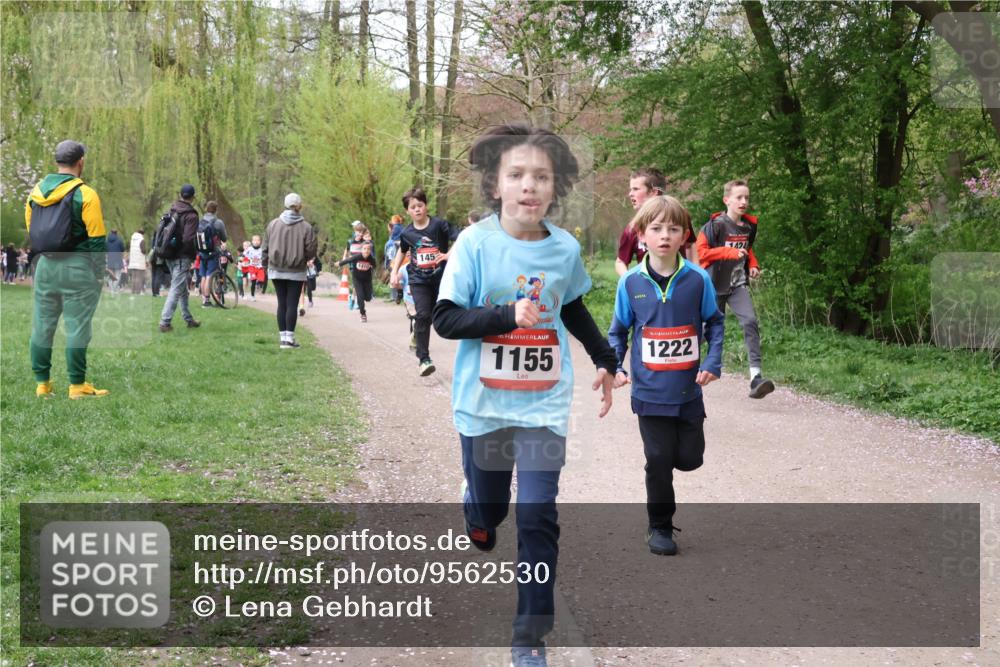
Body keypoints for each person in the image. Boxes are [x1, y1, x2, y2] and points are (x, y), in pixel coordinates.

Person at [433, 124, 617, 667]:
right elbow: (445, 319)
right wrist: (506, 315)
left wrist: (606, 359)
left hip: (542, 404)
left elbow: (574, 306)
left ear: (555, 188)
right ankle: (478, 508)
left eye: (541, 177)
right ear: (495, 185)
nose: (529, 186)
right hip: (485, 407)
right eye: (517, 175)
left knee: (537, 515)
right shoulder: (475, 244)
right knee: (492, 513)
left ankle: (528, 638)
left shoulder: (564, 249)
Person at [608, 195, 725, 556]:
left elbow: (715, 323)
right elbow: (618, 332)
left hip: (688, 392)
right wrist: (616, 366)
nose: (664, 235)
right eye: (656, 228)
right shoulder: (630, 282)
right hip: (649, 392)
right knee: (658, 461)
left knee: (690, 459)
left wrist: (711, 362)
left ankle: (676, 458)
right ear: (642, 234)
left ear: (684, 235)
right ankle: (659, 526)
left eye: (673, 229)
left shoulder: (698, 279)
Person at [25, 140, 109, 398]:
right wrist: (98, 272)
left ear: (57, 162)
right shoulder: (86, 194)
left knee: (42, 326)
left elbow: (33, 231)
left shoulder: (35, 194)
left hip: (46, 267)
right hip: (78, 268)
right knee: (77, 327)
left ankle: (42, 384)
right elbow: (96, 239)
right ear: (80, 161)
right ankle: (76, 386)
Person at [696, 179, 774, 399]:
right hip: (714, 287)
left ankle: (755, 378)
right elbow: (702, 254)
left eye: (747, 198)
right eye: (739, 197)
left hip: (737, 285)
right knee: (704, 332)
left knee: (750, 321)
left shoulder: (748, 226)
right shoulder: (715, 226)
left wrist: (754, 265)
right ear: (726, 200)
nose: (743, 201)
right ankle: (682, 367)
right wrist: (728, 253)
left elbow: (748, 250)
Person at [389, 187, 453, 376]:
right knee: (423, 315)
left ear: (426, 206)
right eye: (412, 207)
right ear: (407, 211)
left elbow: (461, 238)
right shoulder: (407, 233)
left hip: (440, 278)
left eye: (420, 205)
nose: (417, 209)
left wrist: (448, 254)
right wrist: (394, 272)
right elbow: (402, 250)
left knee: (438, 314)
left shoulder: (439, 225)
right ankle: (424, 359)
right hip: (418, 280)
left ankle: (418, 331)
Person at [615, 168, 699, 277]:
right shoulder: (632, 228)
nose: (630, 194)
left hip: (680, 283)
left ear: (654, 192)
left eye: (636, 189)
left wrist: (696, 274)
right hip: (649, 288)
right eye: (655, 229)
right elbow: (620, 261)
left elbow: (690, 245)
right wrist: (630, 282)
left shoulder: (680, 216)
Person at [263, 193, 317, 348]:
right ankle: (289, 339)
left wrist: (264, 264)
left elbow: (265, 247)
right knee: (292, 303)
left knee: (282, 303)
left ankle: (282, 339)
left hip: (276, 268)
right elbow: (311, 249)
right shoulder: (306, 227)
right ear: (299, 206)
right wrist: (304, 258)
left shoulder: (273, 224)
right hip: (297, 270)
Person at [158, 184, 202, 332]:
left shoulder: (172, 210)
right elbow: (188, 239)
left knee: (182, 289)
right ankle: (165, 322)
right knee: (176, 288)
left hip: (168, 254)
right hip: (182, 257)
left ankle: (189, 319)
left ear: (181, 195)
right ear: (193, 197)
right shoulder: (191, 215)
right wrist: (190, 256)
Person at [338, 224, 376, 323]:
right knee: (360, 294)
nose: (359, 233)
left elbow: (374, 262)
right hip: (354, 267)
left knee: (367, 297)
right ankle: (362, 313)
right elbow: (348, 254)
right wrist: (340, 262)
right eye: (357, 231)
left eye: (361, 232)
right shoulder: (351, 241)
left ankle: (358, 297)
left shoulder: (365, 244)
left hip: (366, 275)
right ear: (354, 231)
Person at [196, 200, 228, 307]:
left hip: (201, 253)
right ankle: (207, 301)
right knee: (210, 276)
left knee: (203, 276)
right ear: (216, 210)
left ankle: (203, 300)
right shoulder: (218, 222)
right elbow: (224, 238)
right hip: (213, 253)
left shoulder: (201, 221)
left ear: (206, 209)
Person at [383, 215, 404, 303]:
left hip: (394, 251)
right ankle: (399, 295)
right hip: (401, 250)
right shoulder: (403, 228)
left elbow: (389, 254)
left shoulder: (394, 229)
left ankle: (395, 296)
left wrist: (386, 264)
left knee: (393, 273)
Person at [245, 235, 266, 300]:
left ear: (260, 242)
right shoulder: (249, 249)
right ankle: (252, 295)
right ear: (252, 241)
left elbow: (265, 256)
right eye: (254, 240)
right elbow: (244, 255)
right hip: (252, 267)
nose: (256, 242)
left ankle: (258, 284)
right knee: (253, 281)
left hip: (260, 267)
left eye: (258, 240)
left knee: (262, 280)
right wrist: (244, 261)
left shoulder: (262, 249)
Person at [104, 228, 126, 293]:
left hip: (109, 260)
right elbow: (122, 249)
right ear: (116, 233)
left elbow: (105, 250)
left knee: (110, 275)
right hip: (117, 260)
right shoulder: (119, 241)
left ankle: (111, 289)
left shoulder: (107, 241)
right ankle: (114, 289)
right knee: (118, 275)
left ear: (111, 232)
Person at [128, 228, 147, 294]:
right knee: (139, 278)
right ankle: (137, 291)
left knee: (133, 277)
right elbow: (143, 250)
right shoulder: (141, 240)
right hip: (139, 261)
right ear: (142, 234)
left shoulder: (132, 239)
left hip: (132, 261)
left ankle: (133, 291)